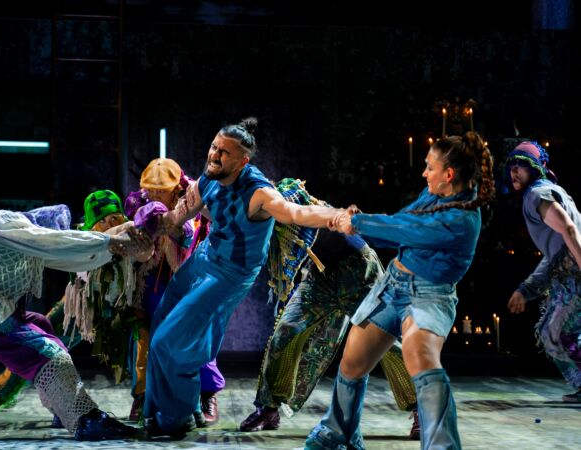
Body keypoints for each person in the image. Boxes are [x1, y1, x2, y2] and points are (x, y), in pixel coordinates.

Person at [125, 117, 351, 437]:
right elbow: (177, 218)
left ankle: (178, 416)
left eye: (224, 152)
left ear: (243, 161)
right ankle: (165, 408)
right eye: (214, 147)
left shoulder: (259, 193)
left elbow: (295, 213)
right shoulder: (208, 180)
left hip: (231, 273)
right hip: (205, 258)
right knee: (161, 321)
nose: (214, 155)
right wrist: (145, 223)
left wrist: (337, 216)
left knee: (170, 340)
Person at [307, 132, 495, 450]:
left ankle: (442, 446)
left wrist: (358, 223)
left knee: (421, 357)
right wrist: (357, 222)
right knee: (352, 362)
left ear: (449, 174)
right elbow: (400, 222)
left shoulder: (462, 220)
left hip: (428, 296)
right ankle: (339, 434)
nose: (424, 173)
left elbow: (407, 230)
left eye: (430, 167)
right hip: (391, 287)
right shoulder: (433, 194)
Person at [0, 204, 152, 440]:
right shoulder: (5, 221)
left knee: (41, 324)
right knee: (49, 352)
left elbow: (72, 257)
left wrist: (115, 241)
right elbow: (56, 242)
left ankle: (62, 408)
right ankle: (86, 420)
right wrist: (112, 241)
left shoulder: (18, 236)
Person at [240, 178, 419, 438]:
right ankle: (268, 408)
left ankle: (422, 409)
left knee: (387, 341)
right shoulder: (250, 216)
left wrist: (344, 215)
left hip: (358, 270)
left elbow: (305, 208)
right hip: (320, 275)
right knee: (286, 331)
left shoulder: (283, 194)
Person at [0, 190, 143, 418]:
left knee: (141, 345)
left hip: (120, 310)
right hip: (80, 308)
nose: (110, 223)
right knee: (40, 345)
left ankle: (143, 401)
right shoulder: (84, 238)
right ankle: (6, 392)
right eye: (104, 220)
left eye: (115, 217)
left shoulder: (130, 235)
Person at [124, 157, 224, 424]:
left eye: (161, 190)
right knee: (146, 336)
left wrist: (172, 224)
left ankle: (207, 393)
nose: (155, 195)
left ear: (175, 187)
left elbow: (192, 237)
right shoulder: (140, 201)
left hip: (188, 273)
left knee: (196, 333)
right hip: (151, 278)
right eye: (151, 189)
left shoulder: (192, 198)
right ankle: (143, 395)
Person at [505, 141, 581, 403]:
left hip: (574, 275)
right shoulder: (552, 190)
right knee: (555, 331)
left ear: (535, 168)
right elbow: (557, 250)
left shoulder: (536, 194)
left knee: (554, 332)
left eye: (521, 166)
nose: (514, 171)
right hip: (569, 274)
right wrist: (526, 289)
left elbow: (569, 230)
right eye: (512, 166)